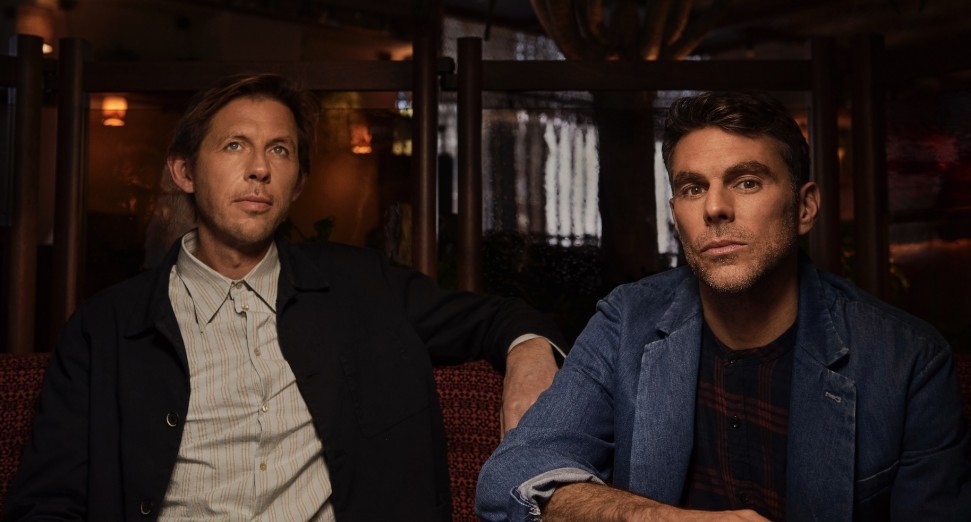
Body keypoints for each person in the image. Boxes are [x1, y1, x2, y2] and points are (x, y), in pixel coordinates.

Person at [5, 73, 566, 521]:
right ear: (184, 171)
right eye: (235, 145)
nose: (259, 169)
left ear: (296, 183)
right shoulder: (105, 327)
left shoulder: (361, 285)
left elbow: (501, 317)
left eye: (279, 150)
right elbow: (47, 501)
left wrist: (530, 349)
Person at [476, 90, 971, 521]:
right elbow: (509, 478)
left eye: (746, 181)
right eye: (693, 188)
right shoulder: (626, 320)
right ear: (676, 215)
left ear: (805, 207)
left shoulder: (908, 360)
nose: (714, 208)